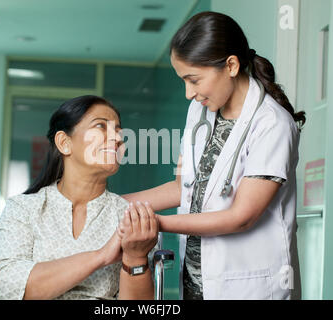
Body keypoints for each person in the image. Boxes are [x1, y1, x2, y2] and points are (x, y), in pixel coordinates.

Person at [121, 11, 306, 300]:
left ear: (231, 65)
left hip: (248, 287)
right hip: (197, 283)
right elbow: (181, 188)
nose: (188, 93)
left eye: (193, 80)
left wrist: (152, 223)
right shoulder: (200, 111)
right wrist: (112, 205)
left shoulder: (272, 124)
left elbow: (241, 217)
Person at [0, 95, 158, 300]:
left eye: (118, 131)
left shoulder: (128, 219)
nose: (117, 138)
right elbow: (7, 286)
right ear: (64, 143)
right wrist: (101, 256)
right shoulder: (23, 209)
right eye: (101, 127)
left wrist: (135, 257)